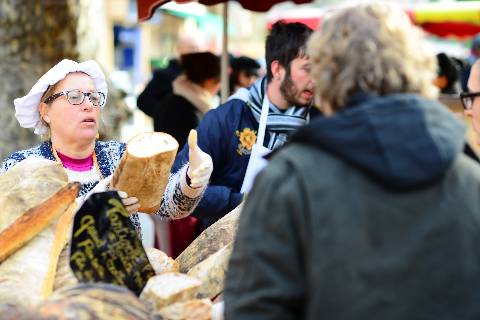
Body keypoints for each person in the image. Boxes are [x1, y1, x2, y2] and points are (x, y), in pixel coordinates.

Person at [225, 3, 480, 319]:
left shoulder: (290, 181)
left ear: (327, 77)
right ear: (419, 70)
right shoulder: (472, 179)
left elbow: (253, 310)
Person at [0, 59, 213, 237]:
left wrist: (191, 179)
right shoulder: (21, 166)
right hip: (54, 285)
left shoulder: (121, 156)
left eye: (94, 97)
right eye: (74, 97)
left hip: (122, 282)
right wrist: (90, 208)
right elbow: (11, 232)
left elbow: (167, 205)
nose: (88, 105)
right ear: (45, 111)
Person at [172, 21, 315, 231]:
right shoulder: (227, 119)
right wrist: (239, 201)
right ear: (277, 69)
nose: (316, 79)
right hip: (227, 250)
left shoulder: (320, 120)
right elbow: (177, 188)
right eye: (308, 69)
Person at [154, 51, 221, 147]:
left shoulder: (172, 100)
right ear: (209, 81)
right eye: (218, 82)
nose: (219, 86)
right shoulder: (190, 110)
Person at [137, 34, 202, 124]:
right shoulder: (164, 75)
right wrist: (166, 115)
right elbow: (143, 102)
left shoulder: (198, 74)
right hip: (171, 133)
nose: (195, 52)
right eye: (191, 48)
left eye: (197, 49)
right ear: (179, 50)